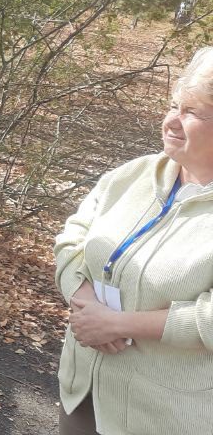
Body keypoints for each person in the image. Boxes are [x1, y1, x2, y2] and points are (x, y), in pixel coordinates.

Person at [53, 46, 213, 435]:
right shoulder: (134, 175)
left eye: (192, 112)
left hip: (165, 415)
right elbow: (72, 238)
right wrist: (83, 296)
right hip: (83, 391)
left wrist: (120, 324)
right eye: (173, 105)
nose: (172, 121)